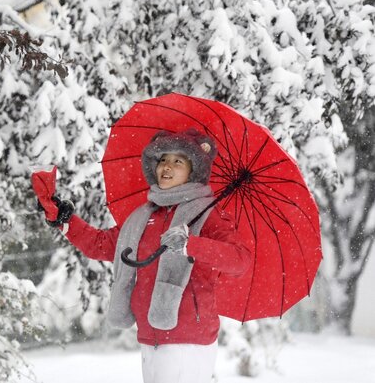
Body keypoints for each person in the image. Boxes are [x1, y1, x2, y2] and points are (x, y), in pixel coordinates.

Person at [34, 128, 252, 383]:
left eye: (177, 161)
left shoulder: (208, 214)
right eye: (162, 160)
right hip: (150, 334)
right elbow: (101, 245)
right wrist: (66, 220)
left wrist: (190, 244)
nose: (166, 167)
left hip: (189, 338)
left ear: (194, 170)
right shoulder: (144, 216)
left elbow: (239, 259)